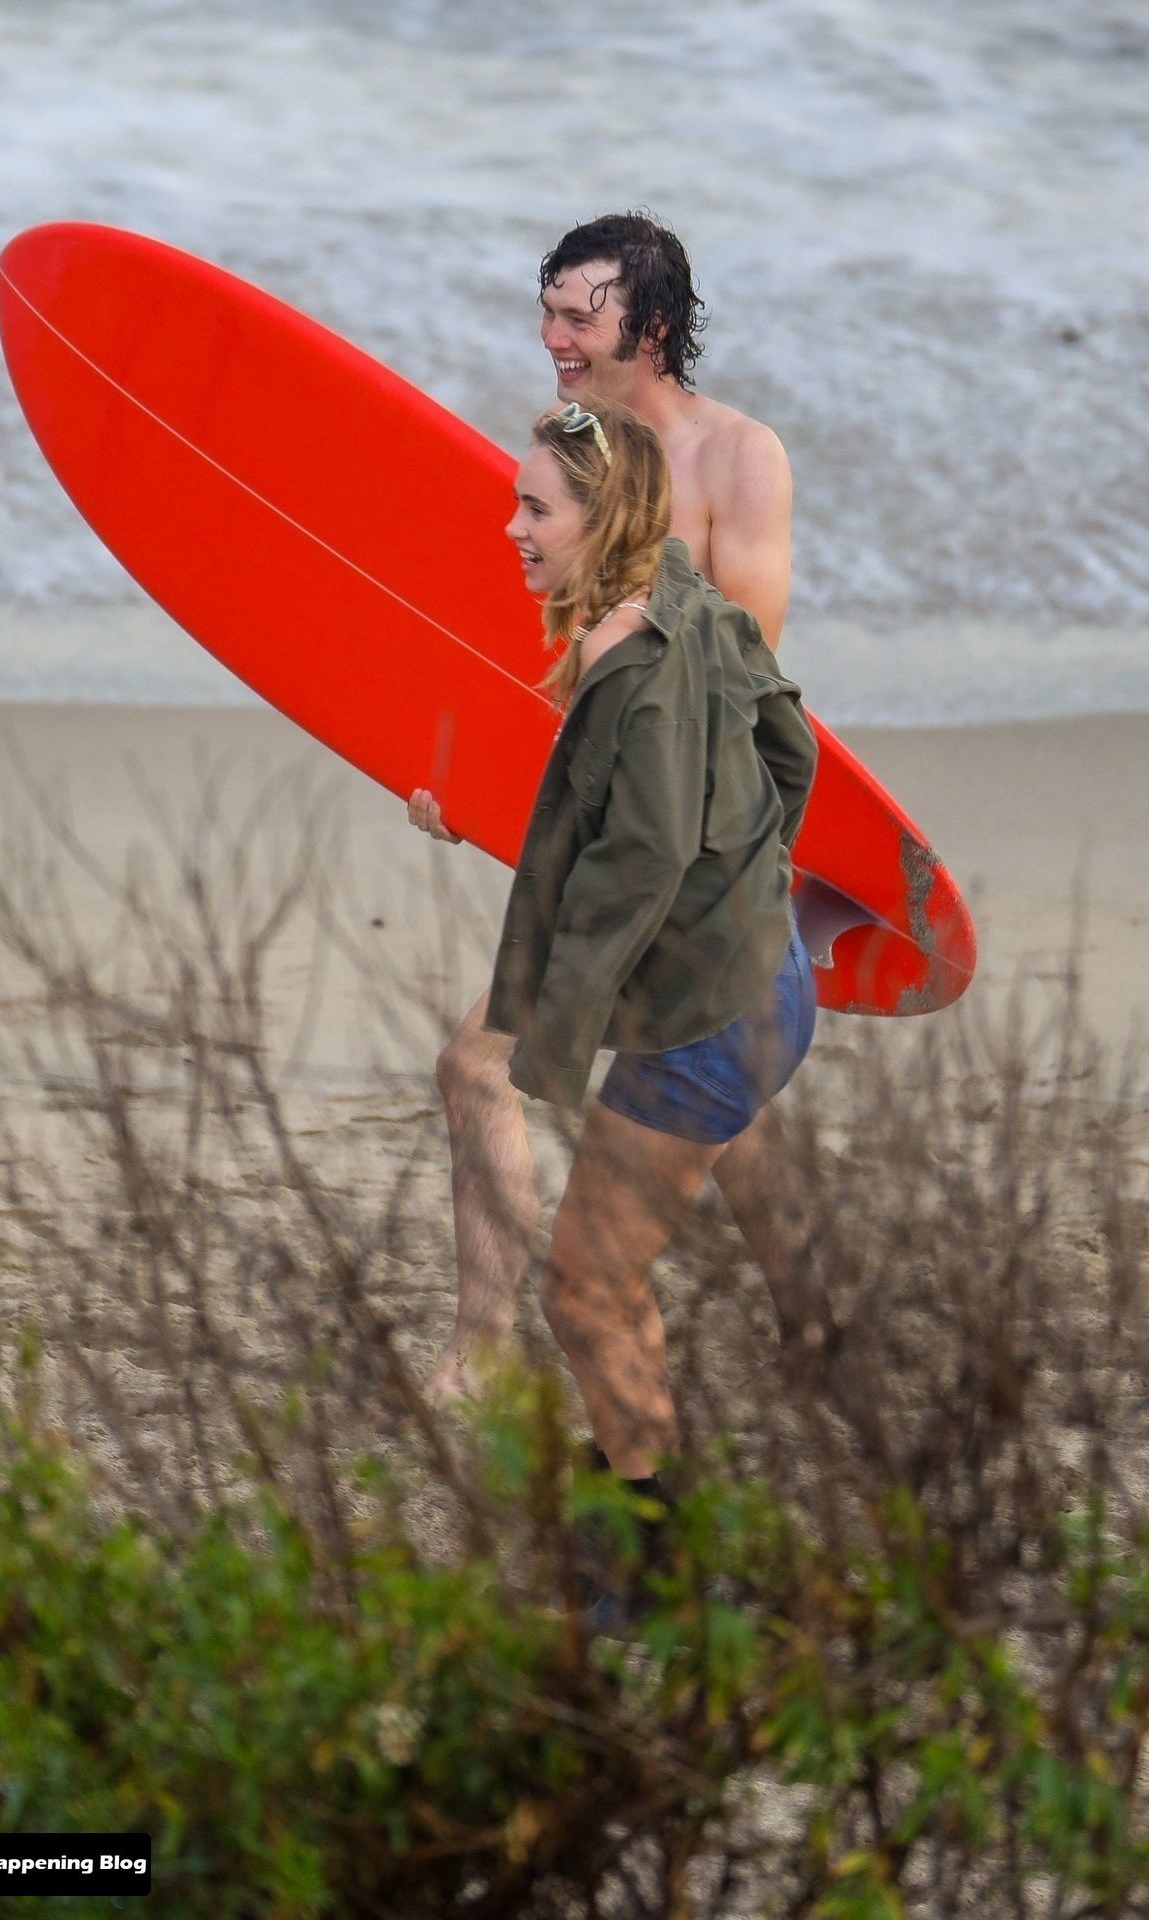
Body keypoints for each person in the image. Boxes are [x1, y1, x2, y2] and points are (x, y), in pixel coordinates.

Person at [412, 213, 816, 1417]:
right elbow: (533, 669)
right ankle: (813, 1321)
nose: (551, 336)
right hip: (624, 832)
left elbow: (734, 684)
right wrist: (461, 787)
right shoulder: (571, 456)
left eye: (575, 315)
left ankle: (488, 1350)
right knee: (705, 1090)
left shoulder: (739, 460)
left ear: (648, 326)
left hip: (691, 852)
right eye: (545, 310)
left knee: (500, 1063)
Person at [458, 396, 816, 1555]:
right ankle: (633, 1468)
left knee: (583, 1289)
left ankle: (647, 1547)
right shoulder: (687, 600)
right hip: (769, 974)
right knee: (604, 1277)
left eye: (534, 509)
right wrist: (749, 879)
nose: (511, 528)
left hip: (707, 1021)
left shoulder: (627, 660)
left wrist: (549, 1036)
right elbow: (788, 745)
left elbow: (641, 858)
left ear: (603, 515)